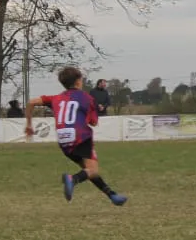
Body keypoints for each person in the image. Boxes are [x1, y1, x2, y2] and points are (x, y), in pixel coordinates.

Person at [25, 66, 127, 207]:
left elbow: (31, 102)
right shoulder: (87, 98)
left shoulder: (56, 98)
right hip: (80, 136)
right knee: (92, 170)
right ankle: (72, 179)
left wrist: (29, 125)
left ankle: (112, 195)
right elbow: (93, 122)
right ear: (79, 81)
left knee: (88, 170)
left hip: (63, 139)